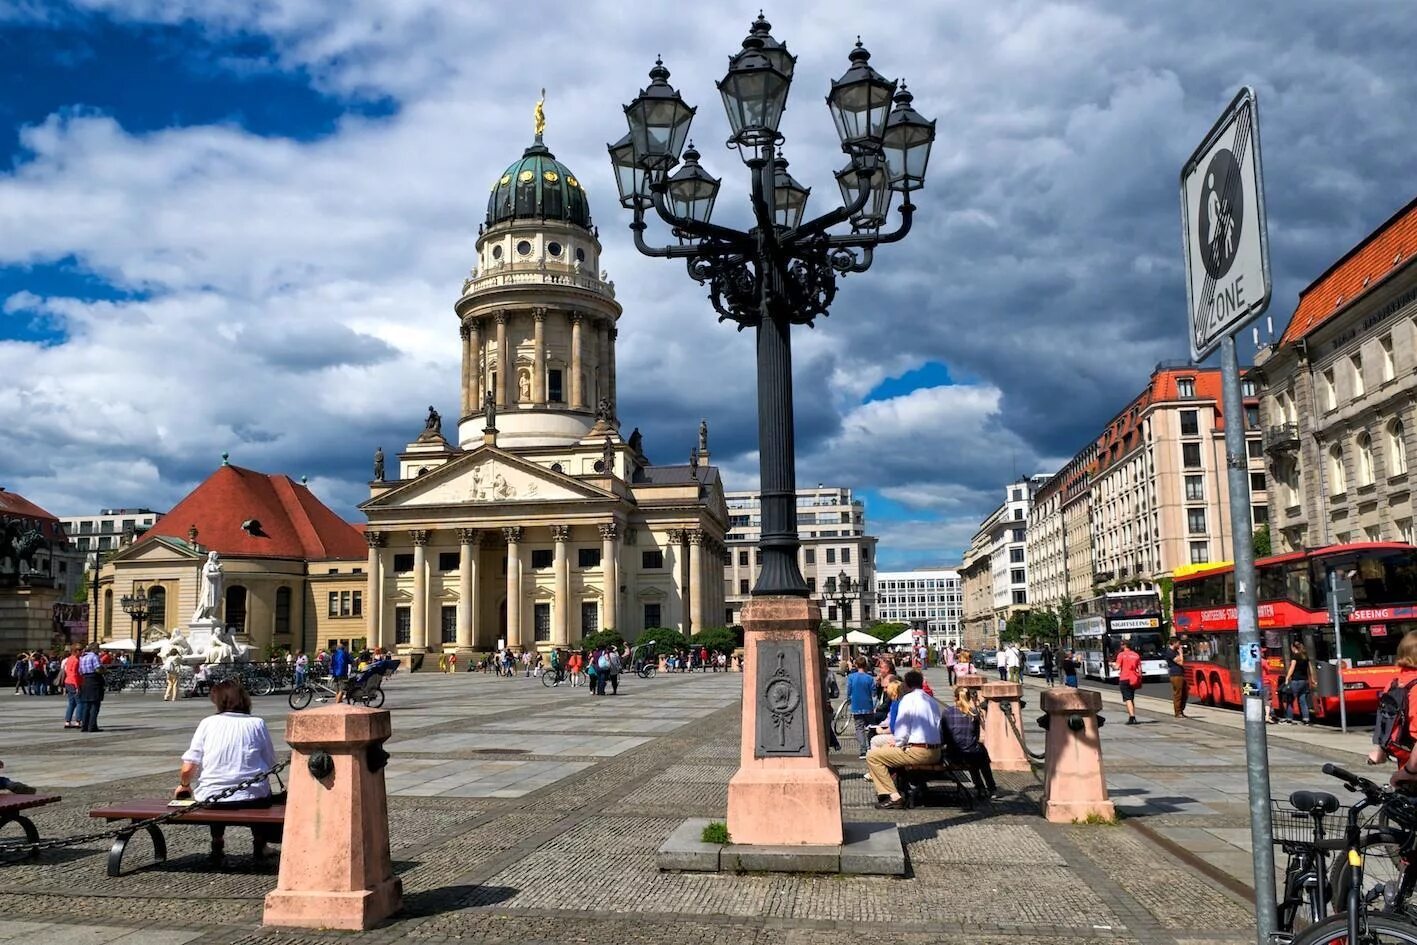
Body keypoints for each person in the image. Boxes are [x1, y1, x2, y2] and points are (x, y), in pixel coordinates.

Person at [172, 679, 282, 862]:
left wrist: (184, 785)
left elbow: (189, 766)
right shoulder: (257, 723)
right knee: (263, 794)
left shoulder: (207, 723)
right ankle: (260, 844)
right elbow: (271, 762)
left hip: (211, 798)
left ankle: (217, 841)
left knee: (215, 792)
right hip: (253, 797)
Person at [865, 669, 942, 810]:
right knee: (884, 750)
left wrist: (899, 743)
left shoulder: (908, 699)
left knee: (873, 756)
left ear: (906, 685)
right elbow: (938, 726)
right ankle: (892, 789)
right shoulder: (931, 700)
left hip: (918, 751)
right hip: (936, 751)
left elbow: (902, 728)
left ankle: (893, 796)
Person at [942, 685, 997, 799]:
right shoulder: (973, 713)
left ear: (955, 698)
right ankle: (990, 788)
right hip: (972, 754)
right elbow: (975, 736)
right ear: (969, 698)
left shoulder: (947, 712)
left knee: (973, 752)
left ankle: (980, 786)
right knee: (980, 752)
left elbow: (944, 735)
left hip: (955, 755)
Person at [846, 657, 876, 759]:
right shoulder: (870, 678)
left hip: (856, 705)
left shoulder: (851, 677)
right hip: (868, 705)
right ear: (865, 665)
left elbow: (849, 691)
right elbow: (874, 693)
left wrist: (848, 699)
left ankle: (863, 750)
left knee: (859, 728)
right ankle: (872, 748)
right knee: (871, 727)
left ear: (856, 665)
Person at [1284, 641, 1317, 725]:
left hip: (1296, 681)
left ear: (1294, 648)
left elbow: (1292, 668)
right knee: (1303, 700)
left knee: (1290, 700)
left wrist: (1287, 678)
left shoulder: (1295, 657)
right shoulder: (1305, 656)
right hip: (1305, 681)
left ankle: (1289, 719)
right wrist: (1312, 679)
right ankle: (1306, 719)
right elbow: (1310, 669)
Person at [869, 679, 906, 750]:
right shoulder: (903, 701)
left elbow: (893, 727)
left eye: (887, 688)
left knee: (874, 741)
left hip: (899, 736)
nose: (885, 690)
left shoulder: (895, 703)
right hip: (905, 735)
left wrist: (882, 731)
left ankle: (878, 759)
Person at [77, 644, 104, 732]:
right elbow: (97, 669)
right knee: (95, 704)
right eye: (98, 649)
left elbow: (80, 671)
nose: (99, 650)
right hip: (94, 680)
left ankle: (84, 726)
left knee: (86, 705)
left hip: (85, 680)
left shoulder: (82, 658)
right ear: (94, 649)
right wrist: (104, 670)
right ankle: (92, 726)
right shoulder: (94, 657)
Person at [1117, 638, 1142, 725]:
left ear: (1124, 645)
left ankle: (1132, 717)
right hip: (1133, 678)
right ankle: (1132, 714)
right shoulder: (1136, 655)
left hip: (1124, 678)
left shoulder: (1121, 655)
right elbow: (1139, 669)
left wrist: (1111, 665)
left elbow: (1117, 667)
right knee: (1131, 698)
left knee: (1127, 698)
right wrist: (1139, 678)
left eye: (1121, 645)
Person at [60, 645, 82, 729]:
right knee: (80, 702)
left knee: (71, 703)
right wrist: (77, 686)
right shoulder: (76, 660)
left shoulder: (69, 659)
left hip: (68, 681)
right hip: (74, 682)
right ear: (76, 651)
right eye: (80, 650)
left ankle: (67, 721)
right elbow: (74, 674)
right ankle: (78, 721)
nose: (81, 652)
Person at [1166, 640, 1188, 718]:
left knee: (1185, 693)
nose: (1179, 645)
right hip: (1175, 674)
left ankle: (1181, 710)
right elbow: (1181, 662)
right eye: (1178, 643)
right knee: (1178, 694)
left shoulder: (1175, 651)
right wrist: (1181, 653)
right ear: (1173, 643)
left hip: (1181, 673)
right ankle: (1178, 712)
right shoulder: (1170, 652)